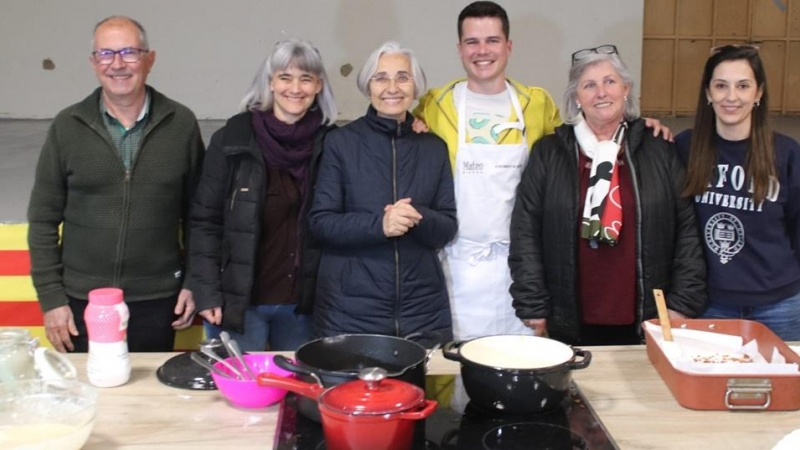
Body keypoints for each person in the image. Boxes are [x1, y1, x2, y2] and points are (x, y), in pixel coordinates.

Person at [414, 1, 673, 342]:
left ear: (508, 46)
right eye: (472, 42)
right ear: (459, 48)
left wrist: (638, 126)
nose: (482, 51)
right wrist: (407, 122)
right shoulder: (433, 104)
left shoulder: (536, 102)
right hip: (459, 263)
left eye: (492, 40)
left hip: (523, 266)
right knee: (456, 366)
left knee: (522, 368)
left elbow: (582, 139)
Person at [27, 16, 204, 352]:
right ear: (94, 63)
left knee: (146, 402)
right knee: (88, 399)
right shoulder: (67, 126)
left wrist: (195, 281)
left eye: (129, 52)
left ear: (149, 60)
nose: (118, 64)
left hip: (157, 300)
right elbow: (42, 220)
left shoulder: (181, 124)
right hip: (80, 301)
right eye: (106, 54)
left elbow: (200, 217)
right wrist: (52, 299)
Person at [508, 45, 707, 345]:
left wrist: (682, 303)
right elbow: (525, 231)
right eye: (589, 85)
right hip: (570, 315)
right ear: (576, 98)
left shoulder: (659, 148)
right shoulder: (549, 153)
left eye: (610, 82)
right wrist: (532, 301)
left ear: (626, 89)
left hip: (647, 315)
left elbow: (687, 229)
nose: (601, 92)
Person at [189, 39, 337, 351]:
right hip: (240, 304)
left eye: (306, 78)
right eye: (285, 77)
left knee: (303, 395)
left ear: (318, 86)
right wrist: (206, 291)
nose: (295, 88)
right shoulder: (232, 139)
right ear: (269, 82)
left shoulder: (334, 144)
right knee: (238, 397)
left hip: (306, 308)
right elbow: (205, 222)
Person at [308, 42, 457, 345]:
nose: (392, 87)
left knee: (413, 394)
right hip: (349, 311)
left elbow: (446, 228)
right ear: (367, 87)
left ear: (416, 86)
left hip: (421, 312)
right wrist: (381, 225)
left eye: (403, 77)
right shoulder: (341, 143)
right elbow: (321, 222)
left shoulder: (433, 147)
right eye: (380, 78)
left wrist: (418, 217)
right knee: (348, 394)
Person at [676, 45, 800, 341]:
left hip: (780, 306)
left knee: (782, 387)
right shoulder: (684, 148)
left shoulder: (786, 154)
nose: (731, 97)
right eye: (721, 86)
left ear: (758, 93)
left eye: (743, 86)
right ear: (708, 93)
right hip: (710, 304)